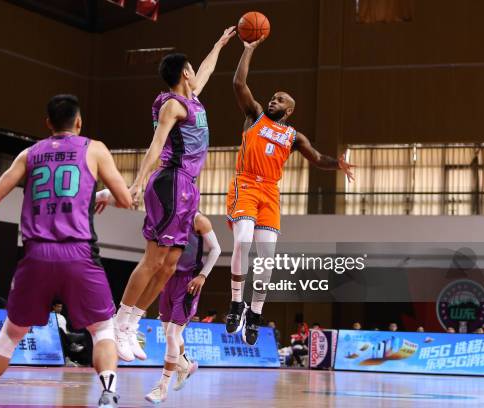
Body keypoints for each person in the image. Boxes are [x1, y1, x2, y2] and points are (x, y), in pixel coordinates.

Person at [0, 94, 132, 408]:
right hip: (79, 253)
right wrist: (107, 194)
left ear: (47, 124)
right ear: (79, 122)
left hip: (36, 255)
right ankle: (108, 393)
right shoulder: (93, 148)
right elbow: (126, 199)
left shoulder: (30, 154)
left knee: (11, 332)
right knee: (102, 328)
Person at [111, 27, 236, 362]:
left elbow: (207, 70)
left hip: (188, 188)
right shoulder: (172, 106)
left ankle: (133, 320)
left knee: (168, 266)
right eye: (193, 68)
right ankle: (119, 322)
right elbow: (156, 144)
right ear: (185, 73)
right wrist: (137, 182)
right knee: (154, 261)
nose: (198, 72)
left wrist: (219, 44)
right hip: (170, 183)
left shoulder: (192, 100)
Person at [225, 35, 355, 346]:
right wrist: (248, 49)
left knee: (267, 257)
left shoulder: (293, 136)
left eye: (280, 99)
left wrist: (337, 164)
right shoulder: (254, 116)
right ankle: (235, 305)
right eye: (273, 96)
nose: (274, 100)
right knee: (243, 240)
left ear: (290, 110)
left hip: (270, 192)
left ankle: (255, 314)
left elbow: (318, 158)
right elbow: (239, 84)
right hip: (246, 183)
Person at [147, 212, 220, 403]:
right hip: (166, 280)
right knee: (170, 334)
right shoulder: (165, 217)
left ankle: (162, 387)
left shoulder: (198, 220)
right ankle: (185, 364)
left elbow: (216, 249)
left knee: (172, 335)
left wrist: (203, 275)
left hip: (189, 282)